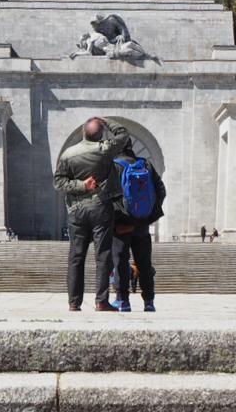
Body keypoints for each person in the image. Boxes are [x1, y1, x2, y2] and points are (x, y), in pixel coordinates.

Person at [53, 116, 125, 312]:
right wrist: (107, 120)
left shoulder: (68, 153)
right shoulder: (105, 148)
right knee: (102, 255)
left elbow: (58, 182)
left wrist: (80, 185)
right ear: (101, 134)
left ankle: (73, 303)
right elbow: (123, 135)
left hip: (76, 210)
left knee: (76, 256)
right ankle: (101, 301)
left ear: (83, 133)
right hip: (101, 207)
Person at [109, 141, 165, 313]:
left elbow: (107, 197)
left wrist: (115, 220)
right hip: (141, 226)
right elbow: (161, 191)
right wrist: (147, 217)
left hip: (121, 226)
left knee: (120, 262)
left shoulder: (113, 167)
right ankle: (149, 301)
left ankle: (122, 300)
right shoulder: (146, 165)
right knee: (144, 263)